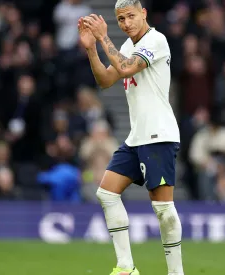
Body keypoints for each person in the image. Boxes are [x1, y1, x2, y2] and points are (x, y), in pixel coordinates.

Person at [78, 1, 184, 275]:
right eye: (121, 19)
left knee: (163, 209)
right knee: (106, 193)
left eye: (131, 16)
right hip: (137, 137)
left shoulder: (156, 40)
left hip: (159, 134)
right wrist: (91, 48)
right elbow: (105, 80)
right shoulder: (127, 46)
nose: (126, 23)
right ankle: (126, 266)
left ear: (144, 14)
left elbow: (125, 69)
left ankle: (176, 272)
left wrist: (103, 36)